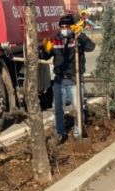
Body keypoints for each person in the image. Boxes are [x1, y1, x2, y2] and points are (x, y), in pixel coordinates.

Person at [40, 14, 96, 142]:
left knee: (78, 107)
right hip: (59, 80)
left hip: (74, 79)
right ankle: (60, 133)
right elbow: (45, 56)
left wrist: (81, 36)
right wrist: (45, 48)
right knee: (58, 109)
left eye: (67, 26)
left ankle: (78, 131)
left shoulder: (77, 38)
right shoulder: (56, 40)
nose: (64, 29)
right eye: (62, 26)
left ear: (72, 27)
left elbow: (91, 47)